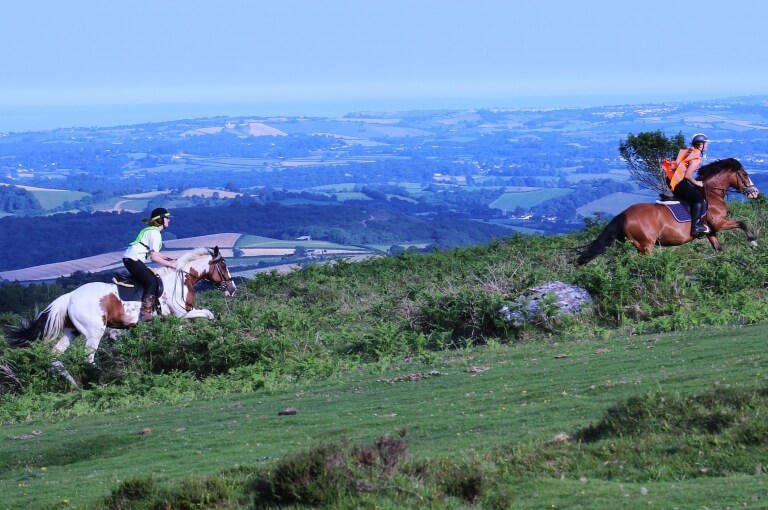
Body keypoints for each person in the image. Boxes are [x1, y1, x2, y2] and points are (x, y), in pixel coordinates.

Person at [122, 207, 176, 321]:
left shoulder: (152, 231)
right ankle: (145, 312)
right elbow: (154, 257)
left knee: (151, 279)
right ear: (161, 220)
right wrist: (171, 265)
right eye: (167, 218)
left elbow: (155, 253)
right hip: (133, 259)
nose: (169, 220)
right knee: (151, 282)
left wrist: (168, 258)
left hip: (131, 259)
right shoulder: (155, 233)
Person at [668, 133, 711, 237]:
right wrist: (697, 183)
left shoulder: (690, 151)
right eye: (706, 144)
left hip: (671, 178)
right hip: (678, 181)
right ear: (700, 145)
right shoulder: (696, 158)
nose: (707, 146)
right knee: (699, 198)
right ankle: (695, 226)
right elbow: (687, 176)